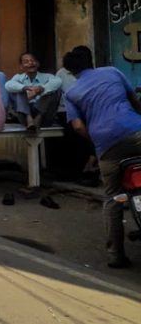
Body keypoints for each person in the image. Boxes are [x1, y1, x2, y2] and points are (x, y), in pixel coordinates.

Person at [63, 46, 141, 269]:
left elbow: (77, 126)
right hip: (136, 132)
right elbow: (135, 102)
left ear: (70, 71)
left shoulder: (71, 93)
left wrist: (96, 141)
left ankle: (116, 255)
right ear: (92, 60)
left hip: (107, 147)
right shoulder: (113, 72)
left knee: (114, 198)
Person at [5, 52, 62, 131]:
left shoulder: (47, 76)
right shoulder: (18, 77)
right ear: (21, 67)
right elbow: (8, 85)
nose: (30, 63)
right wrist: (25, 88)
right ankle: (29, 117)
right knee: (17, 90)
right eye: (26, 62)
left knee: (54, 90)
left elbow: (58, 81)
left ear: (38, 64)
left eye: (33, 60)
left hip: (45, 117)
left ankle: (38, 118)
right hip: (25, 118)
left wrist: (41, 89)